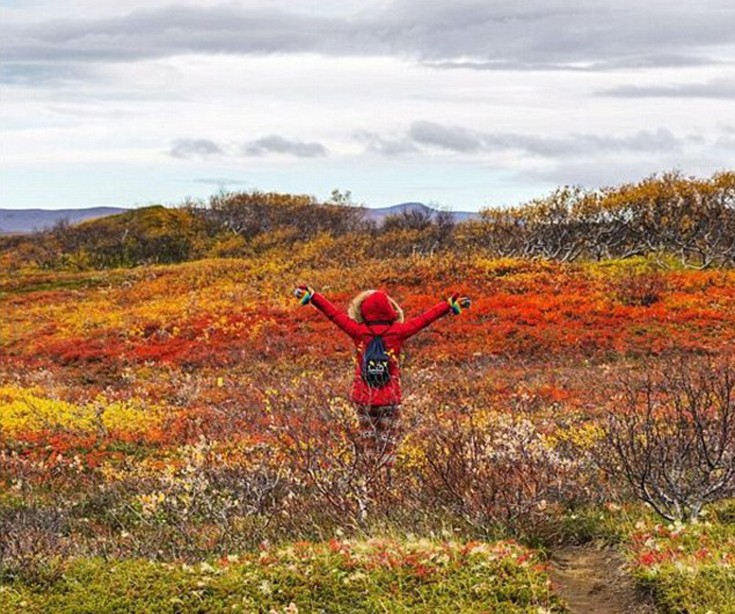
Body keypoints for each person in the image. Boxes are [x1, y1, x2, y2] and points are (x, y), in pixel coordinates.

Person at [293, 286, 470, 468]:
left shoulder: (358, 331)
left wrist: (313, 297)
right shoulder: (398, 332)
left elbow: (334, 315)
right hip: (390, 399)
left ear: (363, 310)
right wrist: (448, 305)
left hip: (364, 398)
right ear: (390, 310)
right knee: (388, 445)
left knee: (368, 445)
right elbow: (425, 319)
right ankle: (386, 486)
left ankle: (370, 484)